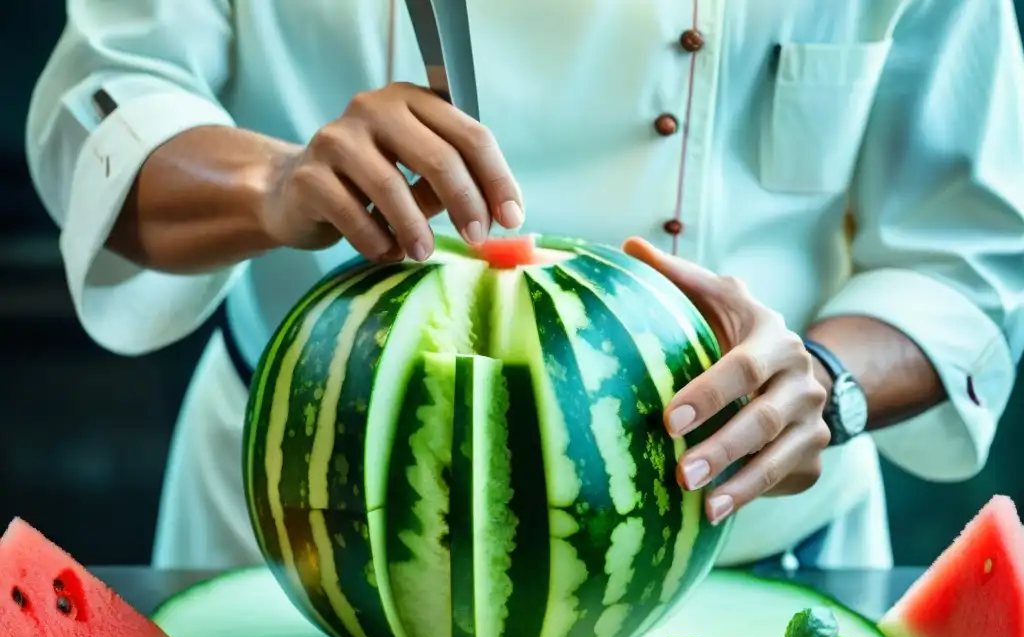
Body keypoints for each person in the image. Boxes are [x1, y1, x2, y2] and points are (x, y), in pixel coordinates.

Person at [25, 0, 1024, 572]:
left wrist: (821, 378)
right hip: (304, 548)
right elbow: (104, 117)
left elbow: (961, 263)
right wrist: (273, 183)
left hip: (747, 542)